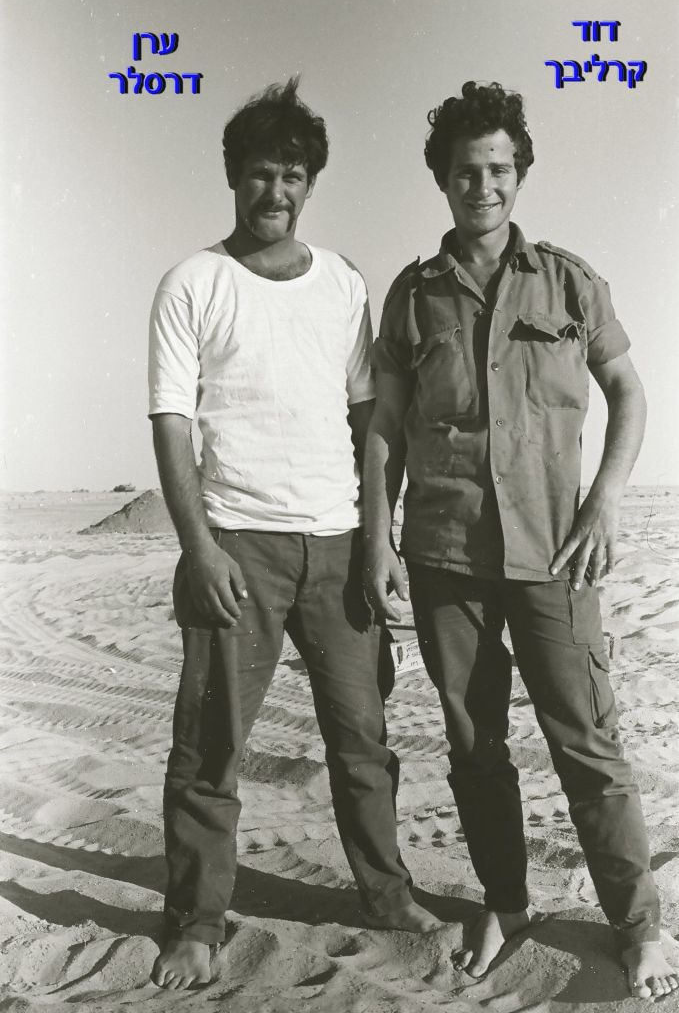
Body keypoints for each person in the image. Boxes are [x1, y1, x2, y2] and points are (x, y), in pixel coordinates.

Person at [363, 80, 678, 1000]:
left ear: (519, 174)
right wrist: (377, 536)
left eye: (498, 169)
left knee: (586, 744)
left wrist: (605, 499)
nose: (483, 186)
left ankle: (636, 926)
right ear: (443, 180)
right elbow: (383, 427)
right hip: (443, 556)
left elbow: (628, 392)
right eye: (466, 171)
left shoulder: (569, 281)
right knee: (474, 746)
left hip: (554, 552)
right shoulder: (413, 294)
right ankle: (505, 902)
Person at [147, 77, 438, 992]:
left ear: (310, 183)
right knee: (211, 745)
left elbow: (368, 420)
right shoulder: (192, 282)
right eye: (260, 173)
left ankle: (387, 897)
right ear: (233, 175)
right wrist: (199, 547)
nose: (275, 191)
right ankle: (195, 923)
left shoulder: (343, 282)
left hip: (339, 544)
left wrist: (376, 538)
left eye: (292, 175)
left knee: (363, 740)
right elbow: (172, 423)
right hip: (238, 544)